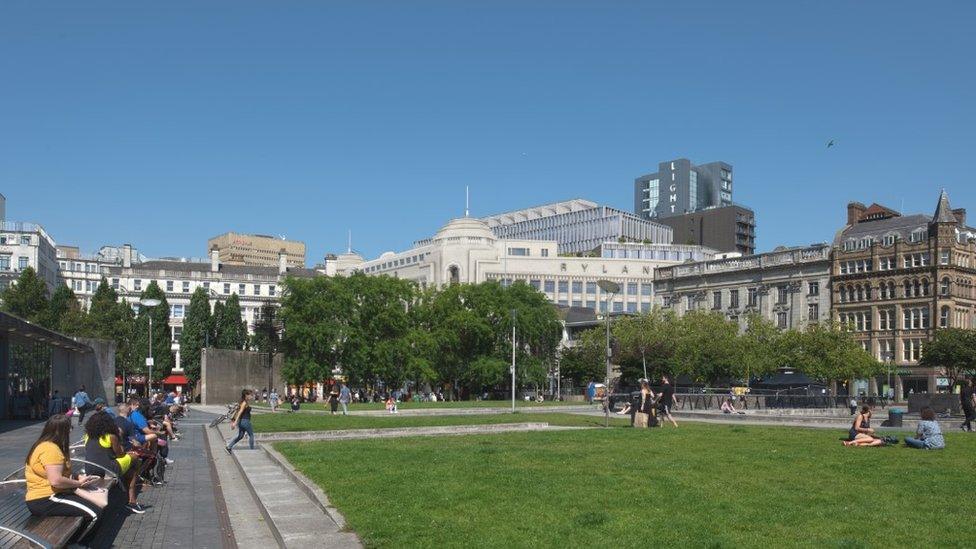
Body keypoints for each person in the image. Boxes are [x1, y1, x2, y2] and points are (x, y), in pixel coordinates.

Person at [24, 415, 106, 537]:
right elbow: (56, 481)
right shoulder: (50, 449)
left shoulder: (46, 445)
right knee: (95, 514)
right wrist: (78, 484)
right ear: (62, 430)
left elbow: (59, 474)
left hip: (53, 495)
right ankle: (79, 544)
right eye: (70, 428)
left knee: (93, 506)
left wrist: (78, 477)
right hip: (45, 498)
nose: (71, 431)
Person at [83, 412, 145, 513]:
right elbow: (120, 454)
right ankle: (132, 501)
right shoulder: (110, 436)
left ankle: (129, 482)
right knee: (134, 458)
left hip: (90, 468)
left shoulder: (87, 436)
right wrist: (119, 437)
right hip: (108, 469)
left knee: (131, 470)